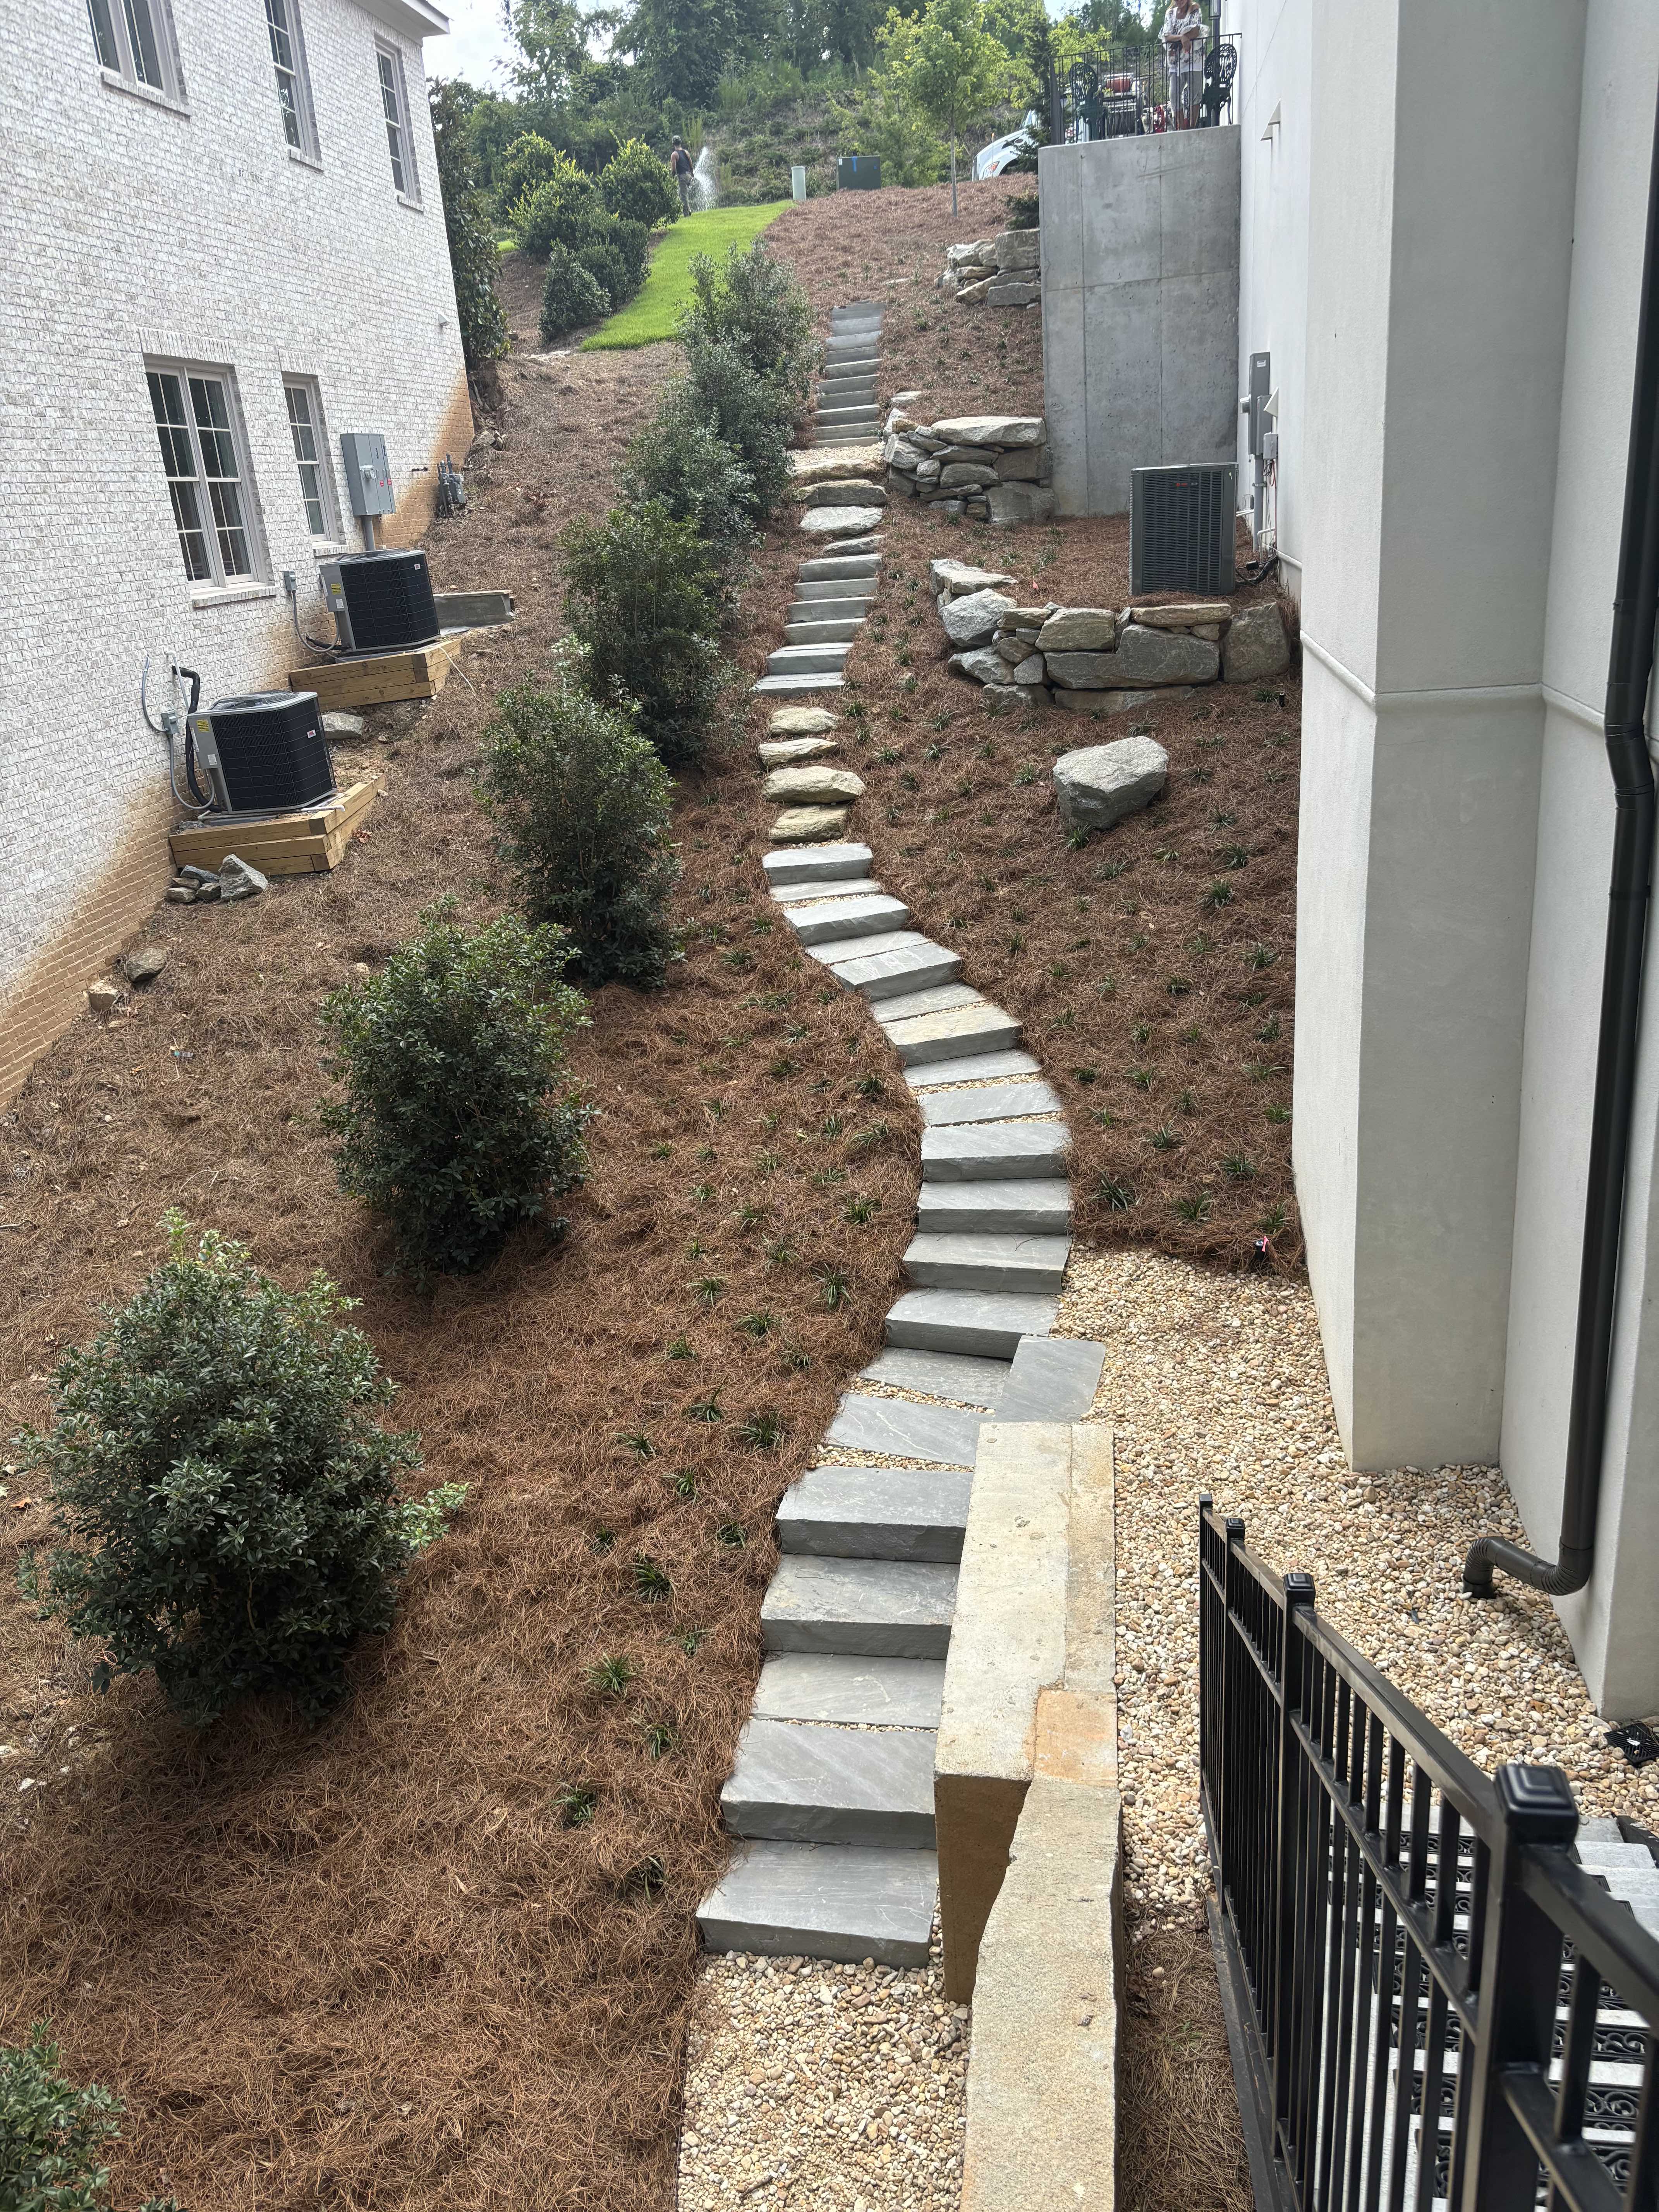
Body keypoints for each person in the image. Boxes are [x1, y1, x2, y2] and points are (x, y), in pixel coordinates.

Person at [1162, 0, 1206, 128]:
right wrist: (1183, 38)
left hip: (1194, 60)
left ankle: (1192, 127)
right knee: (1174, 96)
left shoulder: (1195, 10)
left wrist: (1182, 37)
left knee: (1195, 96)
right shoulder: (1170, 14)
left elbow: (1196, 31)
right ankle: (1182, 128)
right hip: (1175, 63)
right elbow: (1166, 36)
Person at [670, 136, 696, 215]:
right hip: (689, 176)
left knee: (683, 196)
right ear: (680, 143)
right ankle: (689, 210)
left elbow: (674, 169)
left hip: (682, 176)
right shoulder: (686, 152)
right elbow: (691, 165)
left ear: (673, 144)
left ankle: (686, 214)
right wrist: (692, 175)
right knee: (685, 194)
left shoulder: (674, 155)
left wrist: (673, 177)